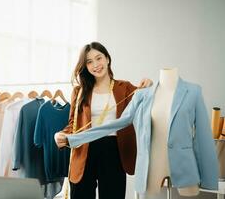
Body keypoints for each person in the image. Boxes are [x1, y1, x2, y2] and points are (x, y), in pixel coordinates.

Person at [54, 42, 152, 199]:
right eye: (89, 61)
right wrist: (60, 135)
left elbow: (146, 102)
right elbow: (73, 124)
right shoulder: (79, 91)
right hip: (84, 150)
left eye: (98, 58)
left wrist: (149, 84)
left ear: (107, 59)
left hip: (114, 151)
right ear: (85, 66)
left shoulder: (125, 87)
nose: (95, 65)